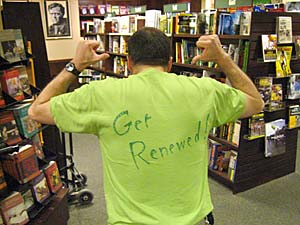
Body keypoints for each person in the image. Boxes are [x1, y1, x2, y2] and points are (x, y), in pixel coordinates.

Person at [28, 27, 264, 225]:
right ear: (170, 63)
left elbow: (36, 110)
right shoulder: (204, 90)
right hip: (193, 219)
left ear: (129, 62)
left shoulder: (100, 95)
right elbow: (255, 102)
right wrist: (223, 58)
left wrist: (75, 65)